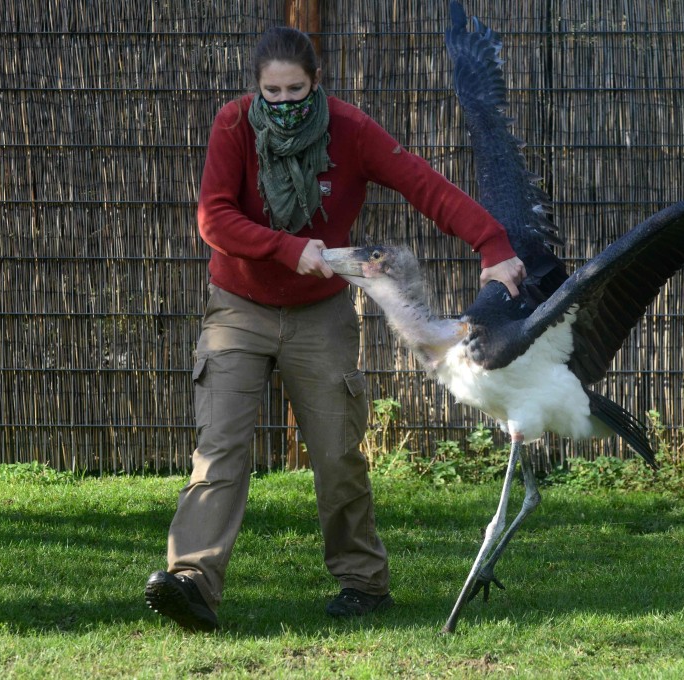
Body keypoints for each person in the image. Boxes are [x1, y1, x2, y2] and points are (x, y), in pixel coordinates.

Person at [144, 25, 525, 632]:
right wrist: (285, 247)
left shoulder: (350, 129)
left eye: (296, 90)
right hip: (238, 307)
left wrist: (493, 241)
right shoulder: (234, 126)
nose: (285, 103)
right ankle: (192, 581)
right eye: (273, 93)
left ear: (316, 83)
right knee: (219, 449)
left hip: (320, 313)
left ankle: (363, 582)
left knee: (337, 453)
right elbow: (214, 218)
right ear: (257, 90)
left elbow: (423, 184)